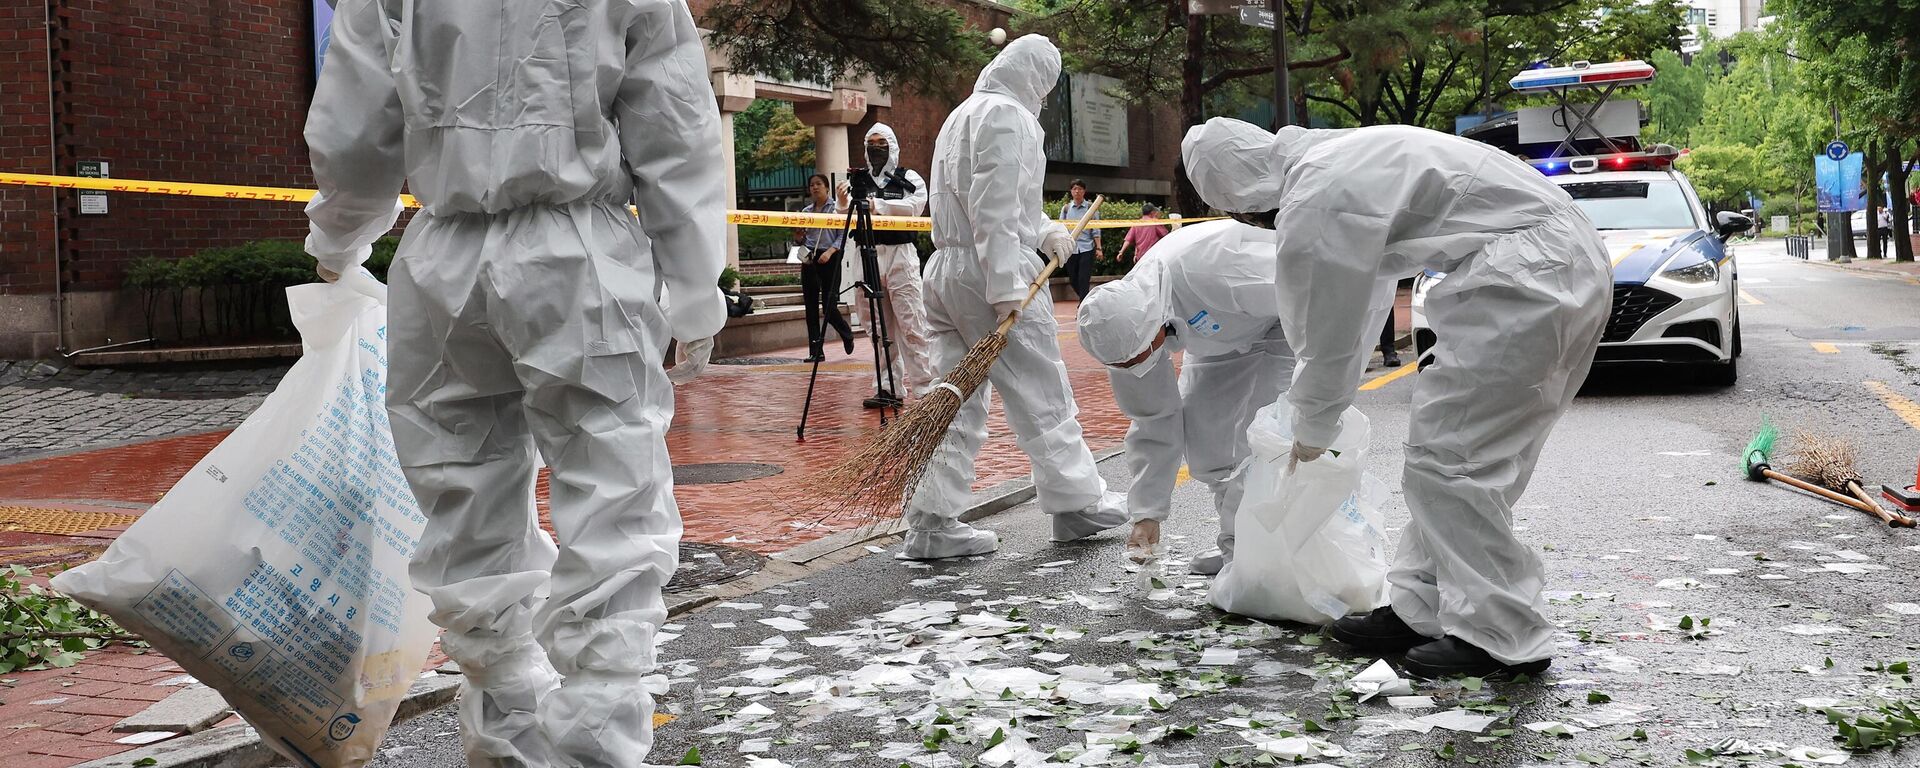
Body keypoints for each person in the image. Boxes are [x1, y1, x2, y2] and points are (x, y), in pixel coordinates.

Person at [302, 1, 726, 766]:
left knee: (462, 490)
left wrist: (339, 237)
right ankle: (598, 729)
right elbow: (674, 119)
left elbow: (355, 121)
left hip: (441, 256)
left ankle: (505, 722)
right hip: (579, 253)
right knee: (611, 485)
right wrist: (694, 281)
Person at [1181, 117, 1610, 678]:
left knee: (1452, 464)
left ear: (1240, 198)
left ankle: (1504, 634)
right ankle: (1423, 607)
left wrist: (1312, 425)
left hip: (1526, 277)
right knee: (1451, 459)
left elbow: (1326, 326)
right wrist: (1321, 409)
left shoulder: (1316, 193)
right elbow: (1362, 304)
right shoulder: (1338, 154)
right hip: (1550, 265)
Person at [909, 34, 1126, 560]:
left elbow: (1007, 209)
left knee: (952, 399)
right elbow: (995, 209)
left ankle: (930, 522)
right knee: (1040, 388)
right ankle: (1076, 504)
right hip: (989, 275)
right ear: (1034, 78)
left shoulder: (962, 116)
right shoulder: (1011, 118)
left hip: (945, 271)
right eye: (1047, 87)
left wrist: (1049, 232)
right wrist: (1007, 286)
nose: (1045, 99)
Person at [1076, 220, 1294, 576]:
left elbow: (1315, 289)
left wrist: (1325, 380)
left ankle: (1271, 553)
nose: (1135, 368)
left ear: (1156, 326)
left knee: (1267, 436)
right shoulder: (1123, 328)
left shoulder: (1220, 271)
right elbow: (1153, 418)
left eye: (1138, 358)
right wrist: (1147, 514)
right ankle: (1236, 548)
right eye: (1123, 365)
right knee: (1210, 446)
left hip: (1290, 319)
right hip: (1220, 333)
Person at [839, 123, 935, 407]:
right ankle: (887, 387)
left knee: (912, 322)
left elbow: (917, 206)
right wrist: (843, 201)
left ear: (892, 146)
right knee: (878, 328)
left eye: (882, 142)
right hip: (866, 251)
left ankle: (925, 386)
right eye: (872, 143)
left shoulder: (908, 178)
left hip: (900, 255)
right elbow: (842, 212)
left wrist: (879, 206)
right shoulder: (858, 180)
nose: (876, 148)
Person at [800, 174, 855, 362]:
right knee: (810, 306)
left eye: (819, 184)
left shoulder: (836, 209)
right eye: (812, 185)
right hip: (809, 259)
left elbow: (842, 235)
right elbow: (802, 239)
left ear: (827, 188)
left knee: (829, 306)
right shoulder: (806, 211)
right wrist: (798, 235)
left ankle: (846, 333)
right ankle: (815, 351)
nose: (815, 188)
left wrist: (830, 252)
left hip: (830, 258)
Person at [1061, 180, 1102, 299]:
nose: (1077, 191)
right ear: (1071, 191)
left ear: (1084, 191)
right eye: (1074, 189)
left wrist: (1099, 248)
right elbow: (1061, 228)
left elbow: (1096, 229)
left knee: (1084, 278)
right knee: (1073, 278)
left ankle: (1083, 304)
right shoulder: (1066, 209)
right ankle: (1088, 299)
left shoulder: (1091, 208)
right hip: (1070, 248)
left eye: (1079, 189)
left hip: (1087, 248)